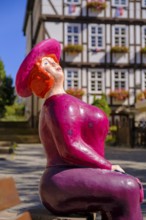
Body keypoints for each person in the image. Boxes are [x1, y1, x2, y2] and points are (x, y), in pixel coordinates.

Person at [16, 39, 144, 220]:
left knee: (127, 187)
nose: (54, 64)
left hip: (67, 178)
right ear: (40, 75)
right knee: (128, 187)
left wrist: (107, 171)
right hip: (61, 181)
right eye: (47, 64)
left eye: (53, 61)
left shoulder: (59, 102)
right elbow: (70, 148)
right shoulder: (59, 104)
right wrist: (109, 167)